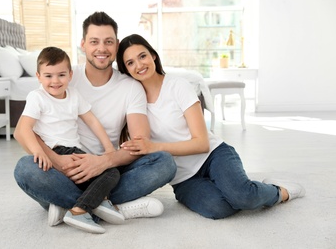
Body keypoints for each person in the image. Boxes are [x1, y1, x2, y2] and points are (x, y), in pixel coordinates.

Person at [13, 12, 177, 229]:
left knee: (164, 162)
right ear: (83, 44)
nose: (102, 48)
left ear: (117, 45)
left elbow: (140, 141)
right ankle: (109, 206)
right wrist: (57, 161)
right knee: (25, 168)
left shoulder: (130, 87)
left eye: (108, 42)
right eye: (94, 42)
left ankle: (69, 204)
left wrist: (104, 161)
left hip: (109, 168)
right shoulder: (62, 76)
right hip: (66, 168)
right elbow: (26, 131)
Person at [116, 34, 305, 219]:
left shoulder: (177, 86)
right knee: (219, 209)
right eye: (130, 62)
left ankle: (278, 191)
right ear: (126, 70)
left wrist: (155, 147)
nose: (139, 65)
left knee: (243, 197)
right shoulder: (133, 102)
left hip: (213, 156)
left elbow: (202, 144)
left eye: (142, 56)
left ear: (153, 56)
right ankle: (247, 188)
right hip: (184, 179)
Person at [16, 46, 124, 233]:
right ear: (38, 76)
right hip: (56, 151)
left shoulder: (74, 95)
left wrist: (109, 148)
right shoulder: (37, 97)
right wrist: (39, 152)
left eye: (61, 75)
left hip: (75, 151)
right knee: (111, 174)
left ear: (70, 74)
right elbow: (24, 128)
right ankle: (82, 210)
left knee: (109, 171)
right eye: (48, 76)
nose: (55, 81)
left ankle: (66, 206)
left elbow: (92, 121)